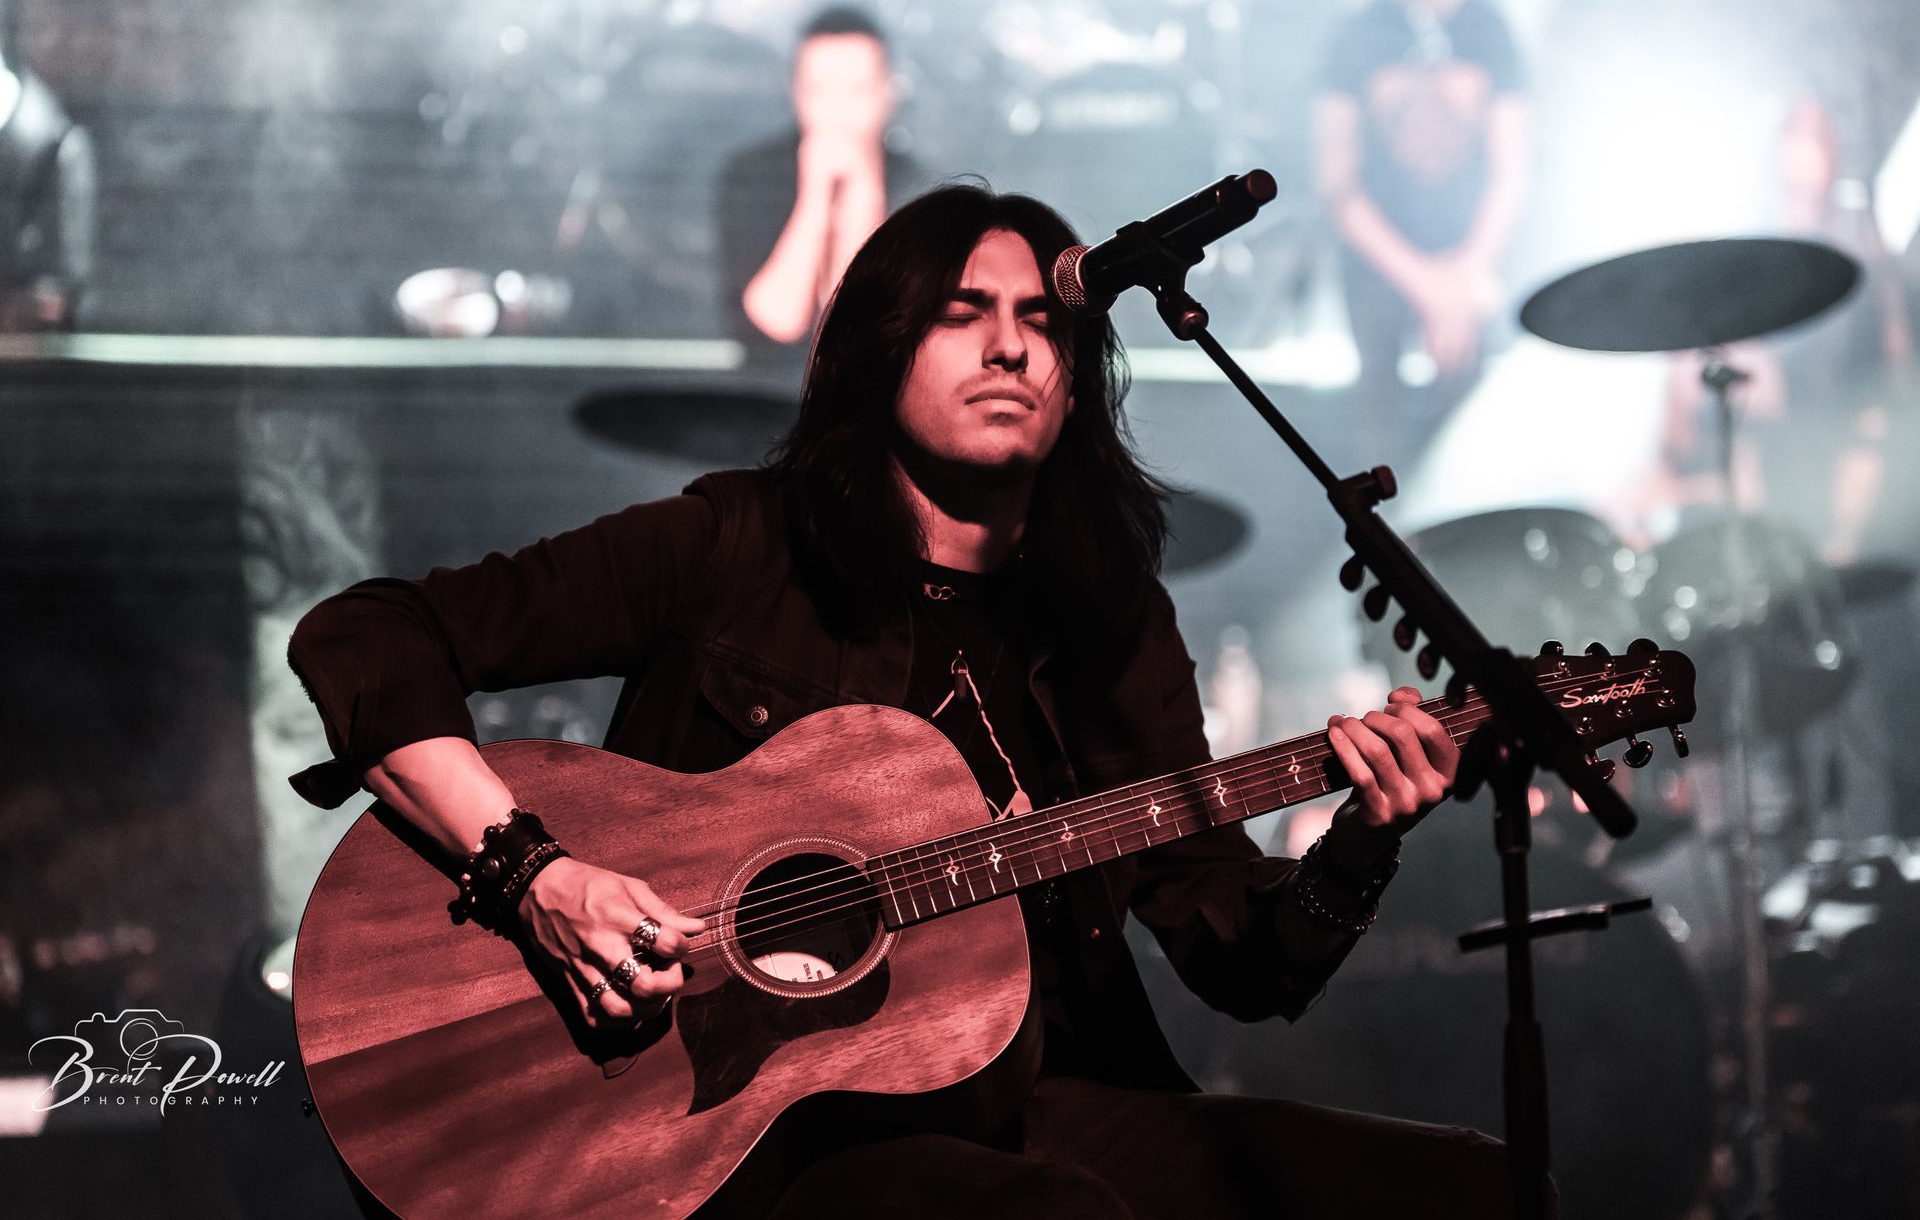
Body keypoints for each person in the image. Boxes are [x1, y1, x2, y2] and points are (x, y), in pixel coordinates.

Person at [288, 184, 1521, 1217]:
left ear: (1081, 379)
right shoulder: (736, 546)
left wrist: (1364, 837)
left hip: (1046, 1102)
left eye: (1045, 322)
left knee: (1472, 1193)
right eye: (962, 313)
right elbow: (367, 634)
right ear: (883, 354)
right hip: (765, 1133)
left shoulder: (1108, 619)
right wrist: (536, 876)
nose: (1012, 347)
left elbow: (1244, 961)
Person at [1314, 0, 1527, 458]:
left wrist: (1467, 272)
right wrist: (1427, 286)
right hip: (1380, 266)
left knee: (1469, 433)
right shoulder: (1357, 33)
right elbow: (1336, 181)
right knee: (1378, 435)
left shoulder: (1488, 29)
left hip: (1468, 262)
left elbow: (1513, 170)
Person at [716, 6, 932, 372]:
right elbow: (774, 323)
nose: (838, 110)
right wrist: (815, 199)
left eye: (857, 91)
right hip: (770, 400)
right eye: (821, 91)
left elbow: (877, 333)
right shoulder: (752, 178)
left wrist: (863, 191)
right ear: (797, 93)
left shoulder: (923, 189)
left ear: (888, 93)